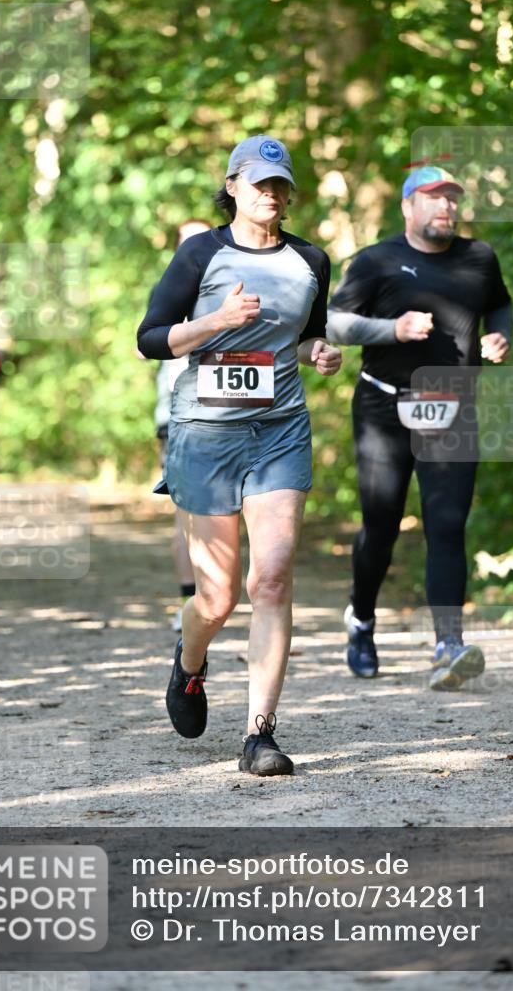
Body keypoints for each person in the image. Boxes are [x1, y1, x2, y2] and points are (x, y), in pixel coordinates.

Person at [137, 135, 341, 775]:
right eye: (259, 183)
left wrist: (321, 353)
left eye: (281, 185)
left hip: (279, 430)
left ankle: (261, 734)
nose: (271, 194)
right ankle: (189, 663)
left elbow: (307, 337)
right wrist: (214, 324)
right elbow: (150, 340)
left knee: (272, 579)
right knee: (218, 598)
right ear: (232, 186)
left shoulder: (311, 260)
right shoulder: (201, 253)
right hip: (206, 433)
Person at [326, 165, 513, 690]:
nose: (445, 207)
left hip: (452, 410)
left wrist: (499, 337)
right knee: (380, 525)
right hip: (384, 409)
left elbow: (499, 304)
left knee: (447, 525)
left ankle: (448, 645)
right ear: (408, 207)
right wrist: (393, 329)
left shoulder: (479, 259)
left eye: (452, 198)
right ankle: (361, 621)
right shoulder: (376, 261)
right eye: (433, 198)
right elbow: (335, 325)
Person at [153, 220, 211, 632]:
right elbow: (145, 345)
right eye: (185, 240)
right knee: (186, 511)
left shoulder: (234, 280)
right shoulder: (169, 286)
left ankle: (218, 597)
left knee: (228, 510)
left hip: (229, 409)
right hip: (177, 413)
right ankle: (189, 601)